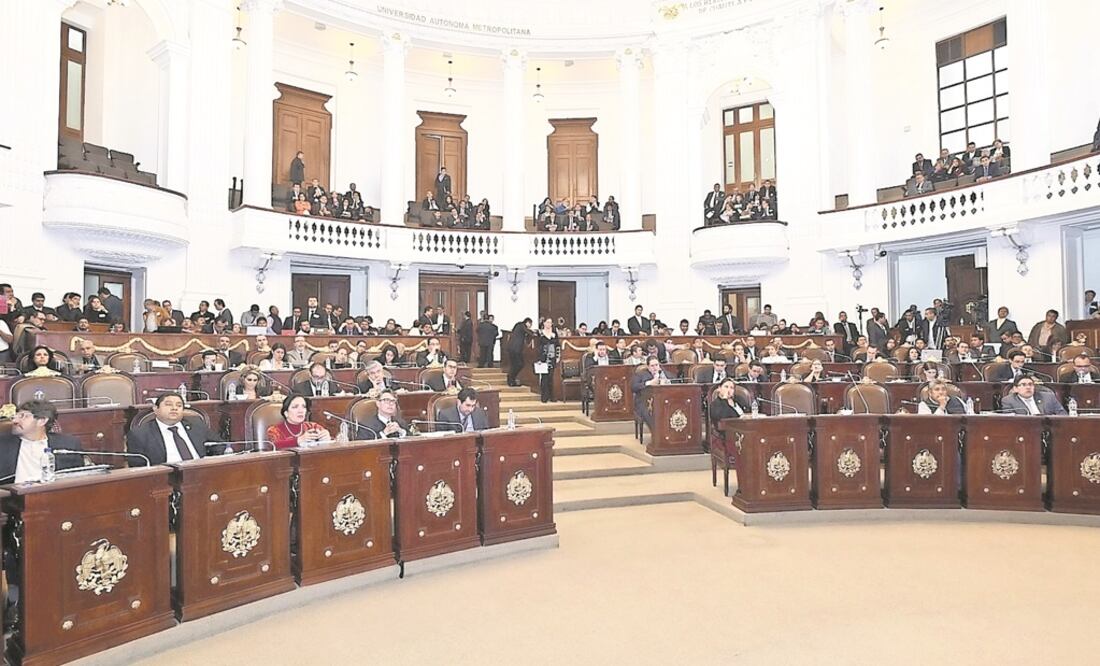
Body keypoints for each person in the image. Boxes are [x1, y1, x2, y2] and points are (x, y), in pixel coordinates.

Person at [0, 400, 85, 482]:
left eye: (23, 416)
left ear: (42, 421)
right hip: (14, 495)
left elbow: (77, 479)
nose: (15, 421)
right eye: (15, 416)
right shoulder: (2, 445)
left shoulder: (68, 445)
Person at [126, 394, 223, 464]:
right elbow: (137, 466)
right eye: (168, 404)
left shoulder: (196, 424)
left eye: (179, 405)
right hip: (165, 480)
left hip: (200, 472)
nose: (174, 408)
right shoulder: (140, 434)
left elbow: (219, 445)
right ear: (156, 409)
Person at [265, 394, 331, 450]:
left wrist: (326, 436)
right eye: (295, 407)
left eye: (303, 407)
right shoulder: (274, 430)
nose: (301, 411)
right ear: (286, 413)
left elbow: (331, 440)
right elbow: (273, 446)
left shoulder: (312, 426)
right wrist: (298, 441)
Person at [632, 356, 672, 427]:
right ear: (648, 367)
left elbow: (676, 382)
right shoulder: (640, 374)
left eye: (656, 365)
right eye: (652, 366)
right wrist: (649, 383)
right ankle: (656, 433)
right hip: (645, 402)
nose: (655, 368)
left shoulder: (665, 374)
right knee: (652, 412)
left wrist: (667, 381)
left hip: (664, 401)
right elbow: (634, 387)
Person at [1001, 376, 1067, 415]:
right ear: (1015, 389)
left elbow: (1063, 414)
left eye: (1030, 384)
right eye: (1023, 385)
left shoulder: (1048, 397)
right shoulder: (1008, 401)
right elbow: (1010, 421)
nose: (1028, 387)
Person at [536, 317, 560, 403]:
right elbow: (538, 347)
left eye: (550, 322)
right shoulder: (540, 333)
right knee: (544, 378)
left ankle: (552, 396)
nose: (549, 324)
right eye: (547, 322)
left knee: (551, 377)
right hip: (543, 358)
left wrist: (557, 357)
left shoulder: (554, 334)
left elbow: (558, 346)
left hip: (552, 357)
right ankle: (544, 397)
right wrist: (538, 359)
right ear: (544, 323)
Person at [506, 318, 533, 387]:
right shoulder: (522, 325)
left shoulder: (518, 325)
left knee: (515, 364)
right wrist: (533, 332)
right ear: (527, 322)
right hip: (516, 349)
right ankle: (511, 378)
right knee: (519, 364)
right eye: (530, 324)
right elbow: (529, 332)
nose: (530, 326)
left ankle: (511, 380)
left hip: (512, 348)